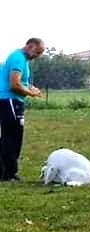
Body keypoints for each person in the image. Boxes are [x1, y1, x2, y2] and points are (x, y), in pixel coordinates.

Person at [0, 38, 45, 181]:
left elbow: (21, 83)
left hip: (11, 100)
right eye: (37, 52)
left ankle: (5, 172)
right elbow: (14, 84)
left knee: (10, 137)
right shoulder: (18, 58)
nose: (37, 56)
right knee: (12, 138)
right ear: (30, 46)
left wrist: (30, 88)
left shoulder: (21, 59)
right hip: (10, 101)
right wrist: (31, 93)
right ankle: (8, 174)